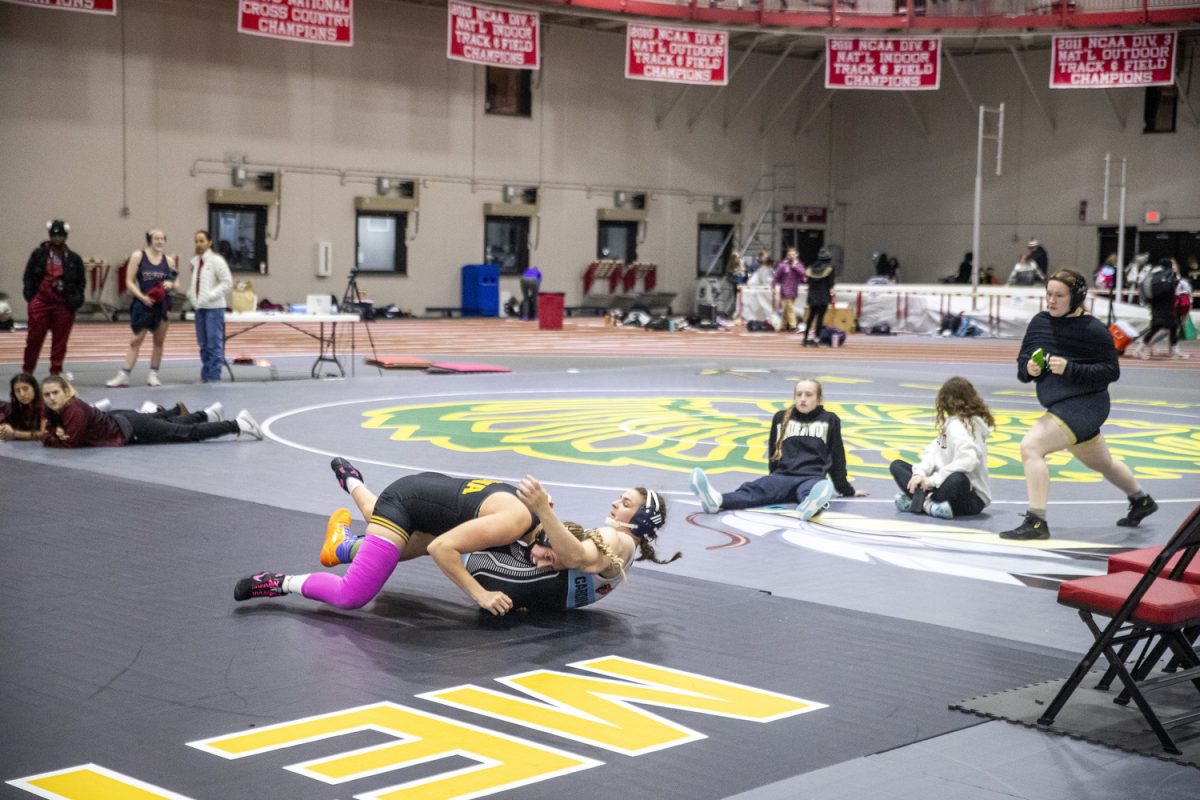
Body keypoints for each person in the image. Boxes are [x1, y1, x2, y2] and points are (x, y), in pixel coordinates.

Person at [233, 459, 678, 616]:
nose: (545, 560)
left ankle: (349, 488)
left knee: (377, 530)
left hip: (437, 497)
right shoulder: (513, 523)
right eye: (548, 557)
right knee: (355, 594)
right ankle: (279, 582)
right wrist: (480, 595)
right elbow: (439, 548)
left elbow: (570, 551)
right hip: (411, 500)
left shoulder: (530, 528)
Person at [1000, 269, 1157, 540]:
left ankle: (1037, 522)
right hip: (1061, 405)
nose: (1051, 301)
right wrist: (1030, 369)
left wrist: (1070, 369)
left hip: (1087, 404)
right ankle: (1142, 500)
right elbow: (1023, 366)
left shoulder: (1093, 330)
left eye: (1058, 295)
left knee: (1031, 447)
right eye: (1048, 294)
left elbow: (1110, 372)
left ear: (1076, 298)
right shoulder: (1039, 323)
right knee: (1103, 463)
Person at [689, 378, 868, 522]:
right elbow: (774, 452)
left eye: (808, 394)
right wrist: (773, 479)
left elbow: (837, 455)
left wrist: (847, 490)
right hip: (783, 476)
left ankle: (809, 506)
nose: (803, 398)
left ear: (818, 399)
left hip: (812, 476)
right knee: (754, 490)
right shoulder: (781, 417)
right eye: (799, 394)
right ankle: (717, 501)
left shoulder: (830, 419)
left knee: (814, 491)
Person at [39, 375, 261, 448]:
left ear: (66, 391)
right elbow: (51, 430)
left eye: (55, 393)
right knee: (178, 428)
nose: (51, 398)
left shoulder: (74, 409)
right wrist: (55, 432)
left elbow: (72, 442)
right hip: (124, 422)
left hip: (130, 428)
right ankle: (208, 415)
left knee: (186, 434)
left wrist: (51, 437)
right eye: (47, 395)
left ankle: (239, 424)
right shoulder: (56, 408)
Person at [890, 377, 993, 519]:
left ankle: (923, 503)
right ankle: (931, 505)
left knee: (958, 479)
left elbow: (968, 460)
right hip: (941, 487)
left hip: (971, 499)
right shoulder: (950, 425)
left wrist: (933, 481)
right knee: (898, 466)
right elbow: (935, 452)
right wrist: (919, 474)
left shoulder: (960, 427)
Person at [106, 229, 178, 388]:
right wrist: (142, 297)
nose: (160, 241)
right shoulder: (138, 256)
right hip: (143, 305)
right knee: (135, 341)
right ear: (149, 240)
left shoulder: (169, 261)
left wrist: (171, 284)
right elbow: (129, 282)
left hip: (162, 306)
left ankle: (153, 374)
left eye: (162, 238)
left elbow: (176, 283)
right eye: (156, 238)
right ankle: (124, 374)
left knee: (158, 342)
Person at [22, 219, 85, 378]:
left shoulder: (73, 258)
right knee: (34, 339)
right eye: (54, 235)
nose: (57, 238)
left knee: (60, 342)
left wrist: (75, 301)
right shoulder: (38, 254)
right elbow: (28, 276)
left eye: (61, 235)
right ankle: (27, 372)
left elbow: (81, 282)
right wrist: (31, 298)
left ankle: (56, 373)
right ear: (50, 236)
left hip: (63, 305)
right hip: (40, 302)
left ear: (66, 236)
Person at [186, 230, 232, 384]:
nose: (198, 244)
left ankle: (214, 377)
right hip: (200, 309)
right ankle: (205, 375)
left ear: (209, 242)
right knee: (203, 345)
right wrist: (192, 296)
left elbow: (227, 282)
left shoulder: (216, 261)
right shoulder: (196, 262)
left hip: (214, 309)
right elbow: (195, 284)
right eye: (196, 241)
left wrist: (210, 295)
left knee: (214, 345)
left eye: (202, 241)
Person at [1131, 258, 1184, 360]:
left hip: (1156, 305)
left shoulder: (1155, 274)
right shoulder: (1170, 275)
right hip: (1167, 306)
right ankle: (1139, 349)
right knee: (1157, 327)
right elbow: (1175, 288)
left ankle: (1174, 351)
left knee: (1172, 326)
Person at [801, 248, 834, 347]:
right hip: (823, 296)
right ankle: (816, 338)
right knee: (820, 318)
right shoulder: (829, 269)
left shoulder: (810, 268)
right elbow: (830, 284)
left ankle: (805, 338)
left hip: (812, 295)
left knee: (810, 317)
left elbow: (807, 281)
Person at [0, 373, 44, 442]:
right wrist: (3, 431)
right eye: (17, 391)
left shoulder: (45, 406)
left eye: (25, 389)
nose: (22, 394)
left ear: (34, 388)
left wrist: (14, 433)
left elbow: (45, 434)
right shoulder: (17, 407)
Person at [773, 248, 806, 332]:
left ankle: (783, 326)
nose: (791, 256)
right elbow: (776, 276)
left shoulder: (799, 264)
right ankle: (793, 325)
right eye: (790, 255)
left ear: (796, 255)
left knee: (787, 308)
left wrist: (794, 267)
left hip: (794, 290)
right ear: (787, 255)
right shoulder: (783, 265)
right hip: (785, 290)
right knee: (790, 307)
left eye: (793, 255)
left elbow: (803, 274)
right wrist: (773, 285)